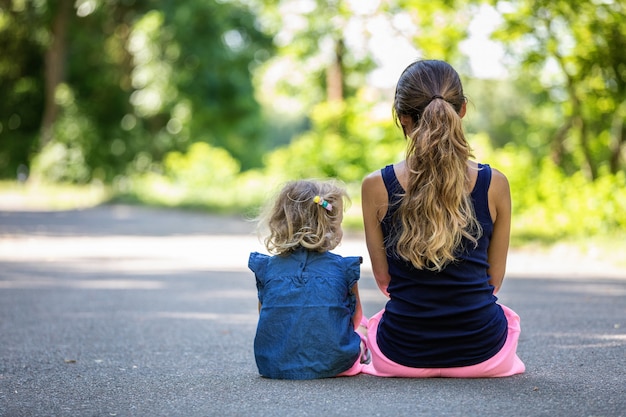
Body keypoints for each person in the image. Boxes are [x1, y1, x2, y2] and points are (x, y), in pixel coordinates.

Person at [360, 59, 525, 377]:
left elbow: (384, 280)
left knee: (373, 326)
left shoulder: (375, 186)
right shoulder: (496, 184)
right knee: (506, 317)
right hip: (484, 353)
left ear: (402, 118)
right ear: (462, 109)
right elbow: (493, 281)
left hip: (402, 353)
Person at [249, 179, 368, 379]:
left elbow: (266, 315)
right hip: (336, 365)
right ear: (332, 228)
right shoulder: (343, 268)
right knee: (365, 325)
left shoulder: (268, 267)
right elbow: (355, 318)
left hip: (275, 365)